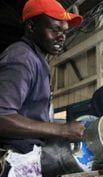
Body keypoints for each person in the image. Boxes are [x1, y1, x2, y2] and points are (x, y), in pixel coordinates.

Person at [0, 0, 86, 176]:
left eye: (64, 32)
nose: (61, 37)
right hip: (12, 160)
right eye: (54, 29)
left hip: (25, 157)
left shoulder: (38, 60)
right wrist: (62, 130)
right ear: (31, 26)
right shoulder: (21, 58)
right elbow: (2, 117)